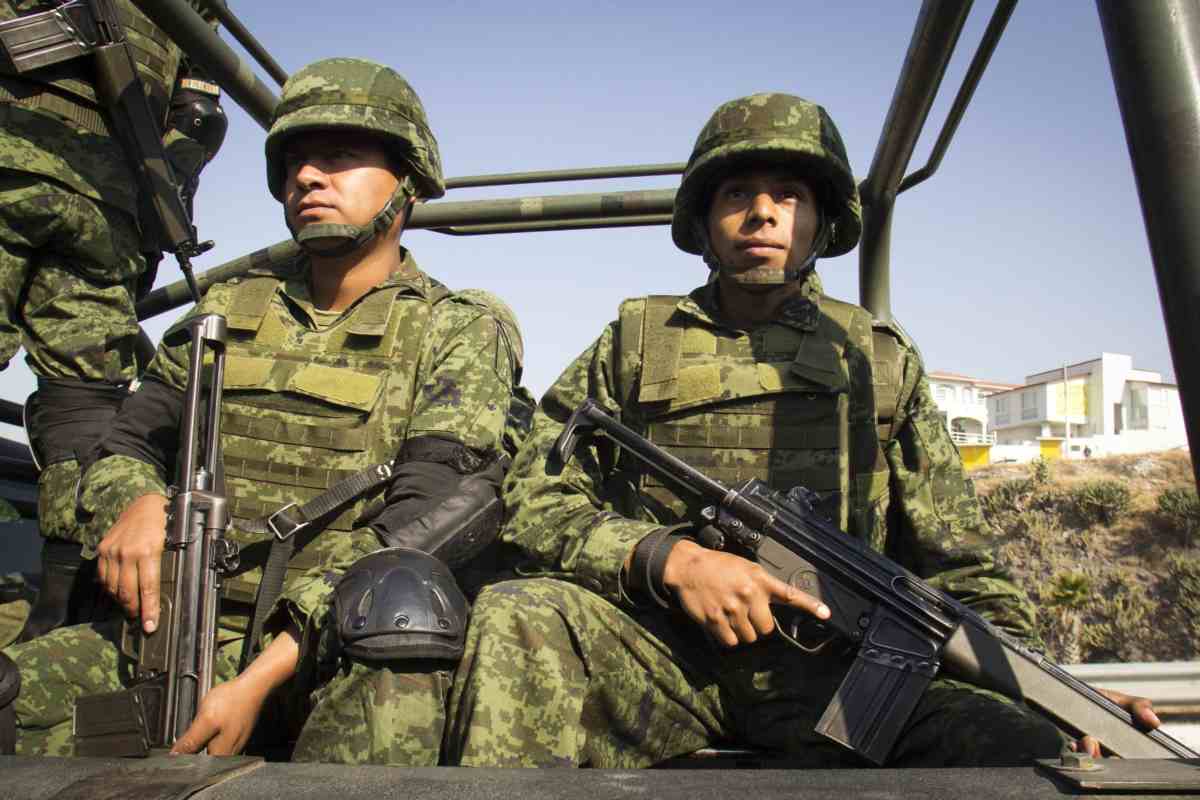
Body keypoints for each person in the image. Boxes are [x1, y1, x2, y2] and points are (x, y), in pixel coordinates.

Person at [444, 94, 1159, 767]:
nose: (762, 213)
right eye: (736, 194)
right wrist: (671, 560)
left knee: (1023, 742)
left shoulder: (876, 359)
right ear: (703, 220)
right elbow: (535, 500)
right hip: (663, 659)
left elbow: (959, 565)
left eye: (788, 195)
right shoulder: (633, 342)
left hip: (835, 680)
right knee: (516, 613)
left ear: (821, 221)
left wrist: (1064, 697)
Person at [0, 57, 522, 764]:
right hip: (168, 634)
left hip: (327, 654)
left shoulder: (458, 327)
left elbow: (425, 521)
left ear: (410, 180)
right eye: (294, 163)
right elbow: (127, 444)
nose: (307, 177)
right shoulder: (227, 308)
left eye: (339, 156)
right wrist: (137, 502)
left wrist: (258, 679)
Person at [0, 0, 226, 642]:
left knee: (85, 400)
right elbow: (199, 115)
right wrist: (160, 193)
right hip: (112, 200)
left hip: (20, 155)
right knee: (85, 397)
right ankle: (64, 607)